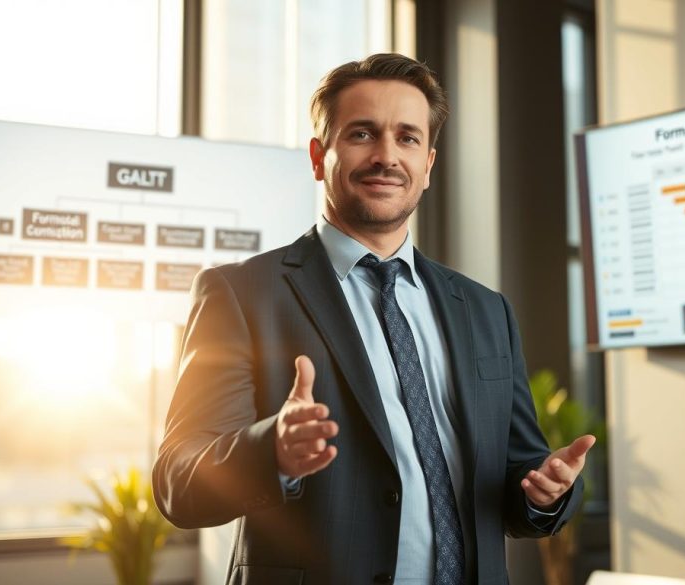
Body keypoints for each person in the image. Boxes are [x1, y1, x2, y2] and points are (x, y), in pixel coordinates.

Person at [152, 53, 595, 585]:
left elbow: (518, 476)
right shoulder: (241, 293)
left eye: (407, 138)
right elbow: (178, 481)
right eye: (362, 134)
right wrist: (271, 451)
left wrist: (548, 492)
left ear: (428, 165)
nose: (387, 156)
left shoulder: (484, 309)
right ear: (319, 157)